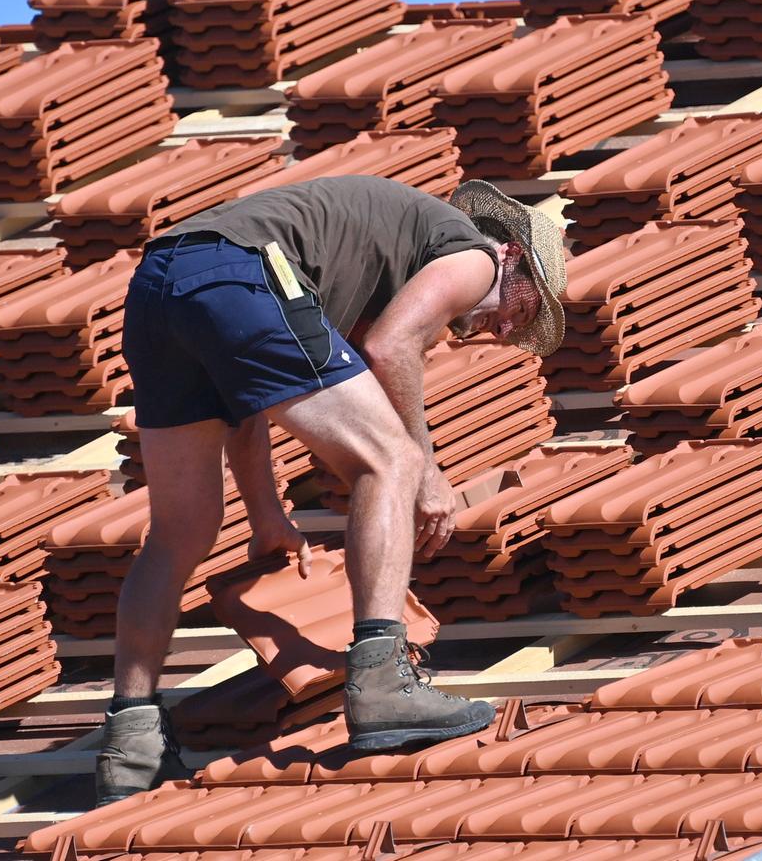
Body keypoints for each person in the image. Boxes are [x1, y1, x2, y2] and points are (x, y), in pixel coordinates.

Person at [95, 174, 567, 803]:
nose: (507, 331)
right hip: (238, 268)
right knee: (391, 462)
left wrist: (266, 516)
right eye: (527, 311)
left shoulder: (349, 267)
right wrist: (426, 469)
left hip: (160, 284)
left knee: (182, 530)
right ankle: (381, 684)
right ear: (514, 259)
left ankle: (130, 744)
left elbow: (247, 403)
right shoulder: (475, 257)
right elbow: (390, 345)